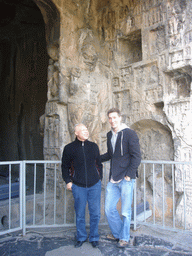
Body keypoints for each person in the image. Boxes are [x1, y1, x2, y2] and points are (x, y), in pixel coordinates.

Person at [101, 108, 141, 248]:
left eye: (114, 117)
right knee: (108, 209)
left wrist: (129, 175)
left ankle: (124, 237)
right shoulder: (109, 134)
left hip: (126, 178)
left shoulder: (130, 133)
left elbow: (137, 156)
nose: (112, 120)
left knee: (125, 211)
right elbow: (111, 155)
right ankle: (118, 234)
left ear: (120, 117)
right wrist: (94, 158)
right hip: (113, 178)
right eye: (110, 118)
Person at [62, 124, 103, 248]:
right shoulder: (69, 148)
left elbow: (99, 164)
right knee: (79, 213)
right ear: (76, 133)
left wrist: (99, 178)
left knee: (95, 213)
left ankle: (94, 237)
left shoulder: (93, 146)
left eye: (86, 130)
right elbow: (65, 166)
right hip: (78, 186)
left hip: (94, 184)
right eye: (83, 130)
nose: (86, 132)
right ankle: (81, 237)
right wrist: (68, 181)